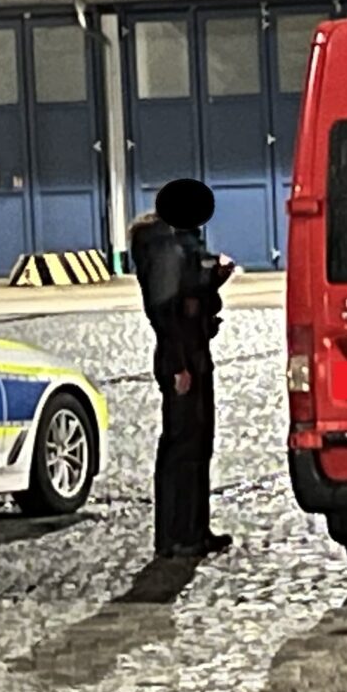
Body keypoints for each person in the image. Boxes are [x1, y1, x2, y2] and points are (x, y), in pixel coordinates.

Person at [129, 178, 235, 557]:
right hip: (182, 356)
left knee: (198, 443)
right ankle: (176, 535)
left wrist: (214, 278)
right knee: (182, 446)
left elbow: (193, 292)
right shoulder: (164, 248)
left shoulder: (180, 244)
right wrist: (178, 366)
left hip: (195, 352)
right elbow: (164, 311)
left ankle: (195, 530)